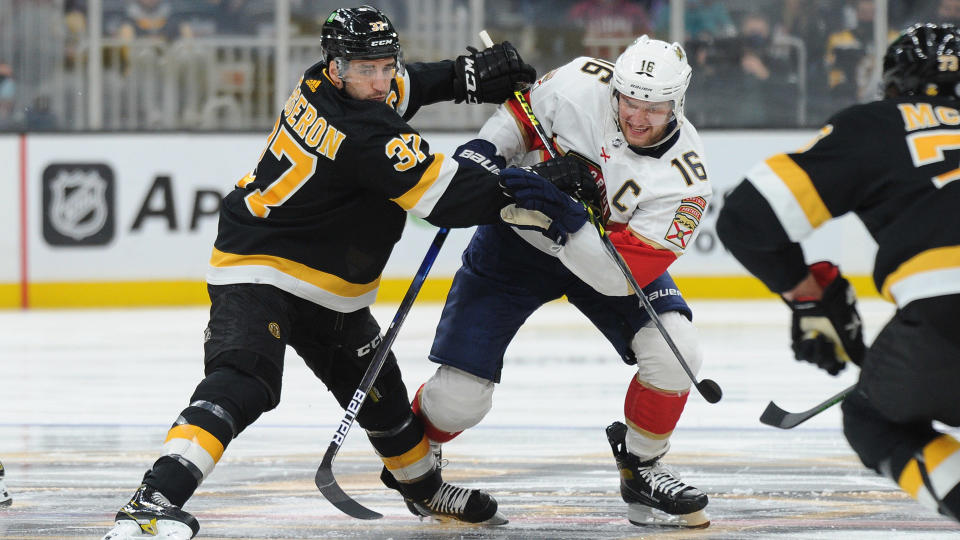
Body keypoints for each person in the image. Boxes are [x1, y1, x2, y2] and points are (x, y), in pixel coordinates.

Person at [100, 5, 565, 539]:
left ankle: (421, 487)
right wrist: (544, 179)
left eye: (385, 64)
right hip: (260, 270)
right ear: (337, 66)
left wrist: (465, 77)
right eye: (364, 68)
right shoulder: (364, 133)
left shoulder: (322, 83)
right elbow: (450, 200)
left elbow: (406, 87)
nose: (378, 79)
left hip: (329, 288)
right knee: (243, 382)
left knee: (384, 399)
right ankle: (151, 502)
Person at [409, 35, 713, 528]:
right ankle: (416, 464)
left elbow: (619, 279)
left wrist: (568, 218)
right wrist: (487, 152)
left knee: (676, 353)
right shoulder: (580, 82)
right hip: (514, 249)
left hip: (604, 266)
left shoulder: (686, 180)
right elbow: (519, 118)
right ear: (614, 88)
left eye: (652, 109)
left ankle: (641, 467)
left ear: (677, 103)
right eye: (628, 101)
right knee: (458, 400)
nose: (636, 117)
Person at [717, 22, 960, 523]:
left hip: (945, 320)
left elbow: (746, 216)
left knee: (874, 420)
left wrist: (810, 296)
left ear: (893, 84)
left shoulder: (879, 124)